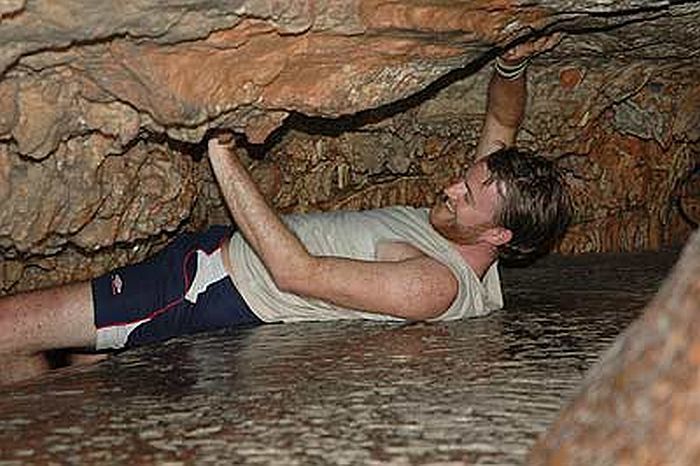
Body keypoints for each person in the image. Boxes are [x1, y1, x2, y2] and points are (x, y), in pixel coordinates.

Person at [0, 35, 570, 384]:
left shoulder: (434, 286)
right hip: (217, 261)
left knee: (9, 330)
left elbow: (296, 273)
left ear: (498, 234)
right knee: (75, 367)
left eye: (466, 195)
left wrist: (219, 150)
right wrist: (512, 66)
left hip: (207, 287)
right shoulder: (484, 219)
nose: (450, 188)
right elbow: (503, 124)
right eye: (463, 181)